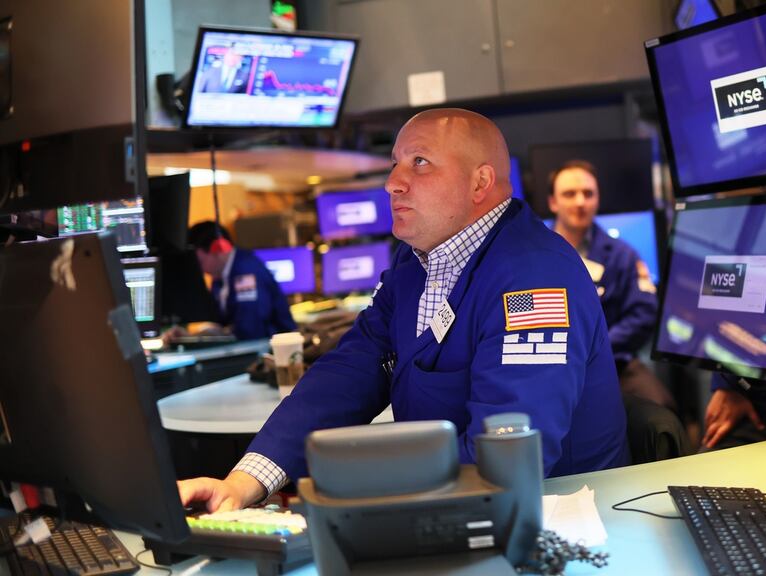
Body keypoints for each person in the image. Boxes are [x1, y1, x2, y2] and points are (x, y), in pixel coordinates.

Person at [179, 109, 630, 511]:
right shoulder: (415, 264)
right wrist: (243, 482)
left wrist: (364, 503)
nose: (393, 181)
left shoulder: (536, 277)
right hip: (451, 504)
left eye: (419, 162)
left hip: (552, 518)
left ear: (480, 182)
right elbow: (351, 370)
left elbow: (507, 458)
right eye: (395, 162)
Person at [548, 160, 689, 461]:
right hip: (549, 366)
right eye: (569, 194)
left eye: (588, 193)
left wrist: (594, 351)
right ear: (552, 201)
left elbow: (643, 314)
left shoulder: (622, 255)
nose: (580, 202)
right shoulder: (533, 255)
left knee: (661, 415)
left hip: (614, 364)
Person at [183, 221, 297, 341]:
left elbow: (249, 330)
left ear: (218, 248)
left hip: (274, 350)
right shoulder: (220, 278)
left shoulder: (246, 272)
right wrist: (190, 337)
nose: (200, 269)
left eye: (200, 262)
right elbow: (220, 322)